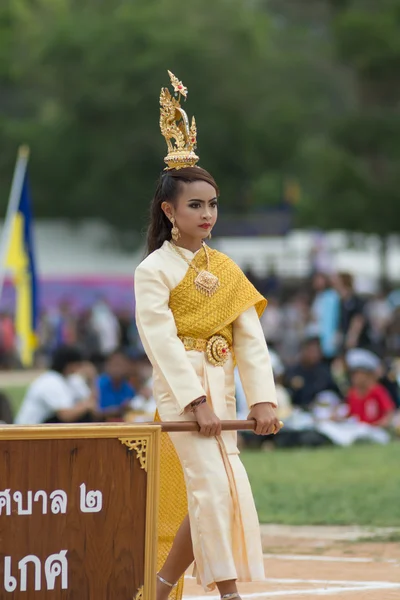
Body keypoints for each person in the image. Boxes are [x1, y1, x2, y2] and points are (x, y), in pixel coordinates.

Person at [134, 71, 279, 600]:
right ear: (170, 211)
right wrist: (195, 401)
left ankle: (159, 585)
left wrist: (261, 399)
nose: (207, 214)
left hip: (222, 387)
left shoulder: (229, 268)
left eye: (212, 205)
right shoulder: (153, 270)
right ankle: (229, 594)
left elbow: (251, 340)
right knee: (212, 491)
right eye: (195, 205)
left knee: (225, 491)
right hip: (181, 391)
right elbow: (161, 342)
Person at [15, 345, 97, 424]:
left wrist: (92, 379)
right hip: (30, 429)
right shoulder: (50, 381)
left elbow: (93, 405)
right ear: (69, 365)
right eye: (79, 364)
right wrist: (86, 406)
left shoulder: (72, 379)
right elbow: (65, 415)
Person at [285, 336, 341, 410]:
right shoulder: (292, 371)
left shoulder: (324, 372)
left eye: (317, 351)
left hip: (321, 412)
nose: (314, 355)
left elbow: (335, 393)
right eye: (311, 351)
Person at [345, 349, 396, 427]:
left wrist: (382, 423)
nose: (355, 378)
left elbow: (389, 411)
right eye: (353, 374)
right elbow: (350, 413)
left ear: (368, 375)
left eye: (358, 374)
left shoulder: (377, 391)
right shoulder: (352, 393)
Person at [97, 349, 135, 414]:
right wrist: (119, 409)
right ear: (107, 366)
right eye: (114, 364)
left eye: (120, 365)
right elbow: (96, 412)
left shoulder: (129, 388)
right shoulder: (98, 384)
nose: (117, 369)